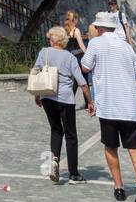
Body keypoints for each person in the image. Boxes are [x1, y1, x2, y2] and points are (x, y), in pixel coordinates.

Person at [80, 10, 136, 202]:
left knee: (111, 147)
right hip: (129, 106)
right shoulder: (126, 47)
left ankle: (118, 187)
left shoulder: (95, 43)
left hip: (108, 106)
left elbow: (85, 67)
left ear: (99, 28)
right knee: (135, 147)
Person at [32, 25, 94, 184]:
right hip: (65, 99)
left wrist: (37, 95)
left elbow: (35, 72)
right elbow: (82, 82)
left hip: (47, 97)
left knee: (55, 129)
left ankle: (54, 159)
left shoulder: (43, 52)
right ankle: (73, 173)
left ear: (53, 39)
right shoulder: (70, 57)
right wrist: (90, 102)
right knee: (71, 135)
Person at [64, 9, 90, 108]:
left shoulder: (65, 30)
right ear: (74, 19)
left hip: (69, 58)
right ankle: (88, 103)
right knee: (84, 81)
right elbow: (82, 46)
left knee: (73, 82)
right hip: (78, 58)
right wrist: (88, 55)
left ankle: (69, 102)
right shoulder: (76, 30)